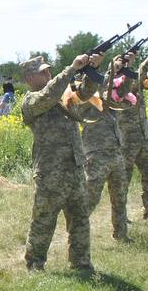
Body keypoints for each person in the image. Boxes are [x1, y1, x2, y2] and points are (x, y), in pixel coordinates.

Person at [20, 53, 101, 273]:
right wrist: (71, 69)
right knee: (44, 219)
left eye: (48, 70)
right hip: (50, 171)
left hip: (74, 167)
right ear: (29, 78)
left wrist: (92, 70)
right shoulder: (31, 101)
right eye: (43, 72)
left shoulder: (63, 95)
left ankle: (81, 263)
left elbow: (85, 94)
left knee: (80, 219)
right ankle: (35, 263)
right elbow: (48, 95)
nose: (48, 74)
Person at [67, 56, 131, 241]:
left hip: (115, 151)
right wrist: (107, 73)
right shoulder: (80, 89)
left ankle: (121, 235)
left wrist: (125, 70)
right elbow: (91, 96)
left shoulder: (103, 86)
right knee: (90, 198)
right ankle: (75, 233)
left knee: (120, 197)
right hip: (96, 153)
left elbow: (119, 94)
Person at [117, 50, 148, 219]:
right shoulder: (114, 82)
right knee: (123, 180)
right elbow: (128, 88)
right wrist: (144, 64)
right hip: (126, 139)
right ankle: (120, 216)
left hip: (143, 136)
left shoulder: (135, 78)